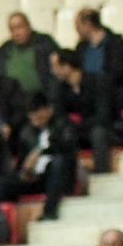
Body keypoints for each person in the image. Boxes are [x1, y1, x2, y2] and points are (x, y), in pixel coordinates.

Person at [49, 49, 123, 176]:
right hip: (83, 131)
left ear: (67, 67)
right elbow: (60, 116)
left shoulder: (98, 81)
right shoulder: (62, 89)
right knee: (62, 134)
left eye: (55, 66)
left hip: (111, 130)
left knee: (98, 132)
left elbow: (104, 117)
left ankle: (102, 176)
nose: (52, 71)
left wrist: (77, 126)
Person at [11, 92, 77, 221]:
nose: (36, 120)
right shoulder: (26, 132)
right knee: (3, 184)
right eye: (33, 117)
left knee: (58, 162)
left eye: (39, 115)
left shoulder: (63, 124)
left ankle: (49, 211)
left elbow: (67, 149)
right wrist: (25, 171)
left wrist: (41, 152)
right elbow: (22, 162)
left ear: (49, 110)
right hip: (34, 178)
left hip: (58, 177)